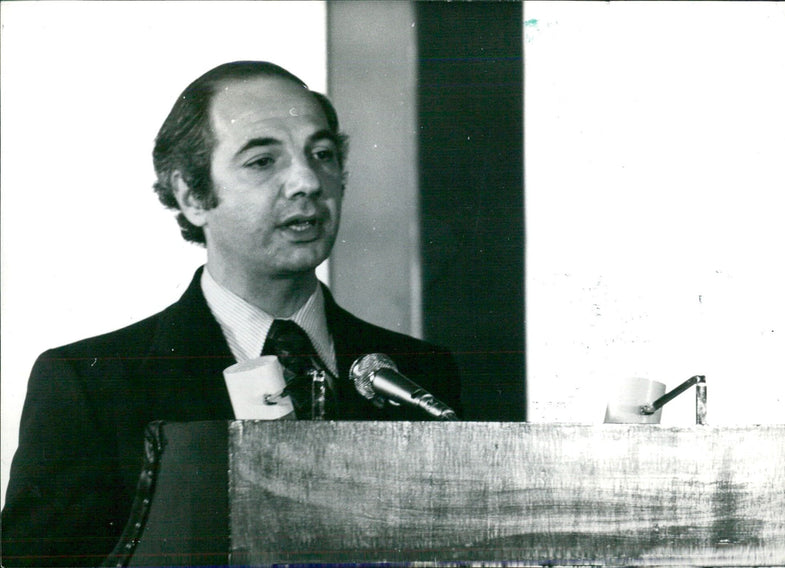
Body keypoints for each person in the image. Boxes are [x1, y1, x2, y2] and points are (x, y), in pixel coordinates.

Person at [1, 61, 461, 567]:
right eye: (263, 161)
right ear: (191, 195)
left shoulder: (423, 375)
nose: (308, 180)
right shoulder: (90, 385)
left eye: (323, 154)